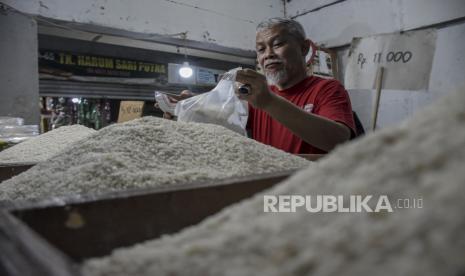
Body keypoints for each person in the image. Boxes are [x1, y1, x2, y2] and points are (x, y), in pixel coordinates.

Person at [161, 18, 356, 154]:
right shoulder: (256, 96)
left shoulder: (326, 89)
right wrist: (191, 107)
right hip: (269, 190)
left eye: (278, 44)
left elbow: (338, 141)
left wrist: (269, 102)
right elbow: (221, 122)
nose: (268, 54)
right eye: (261, 49)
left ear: (304, 48)